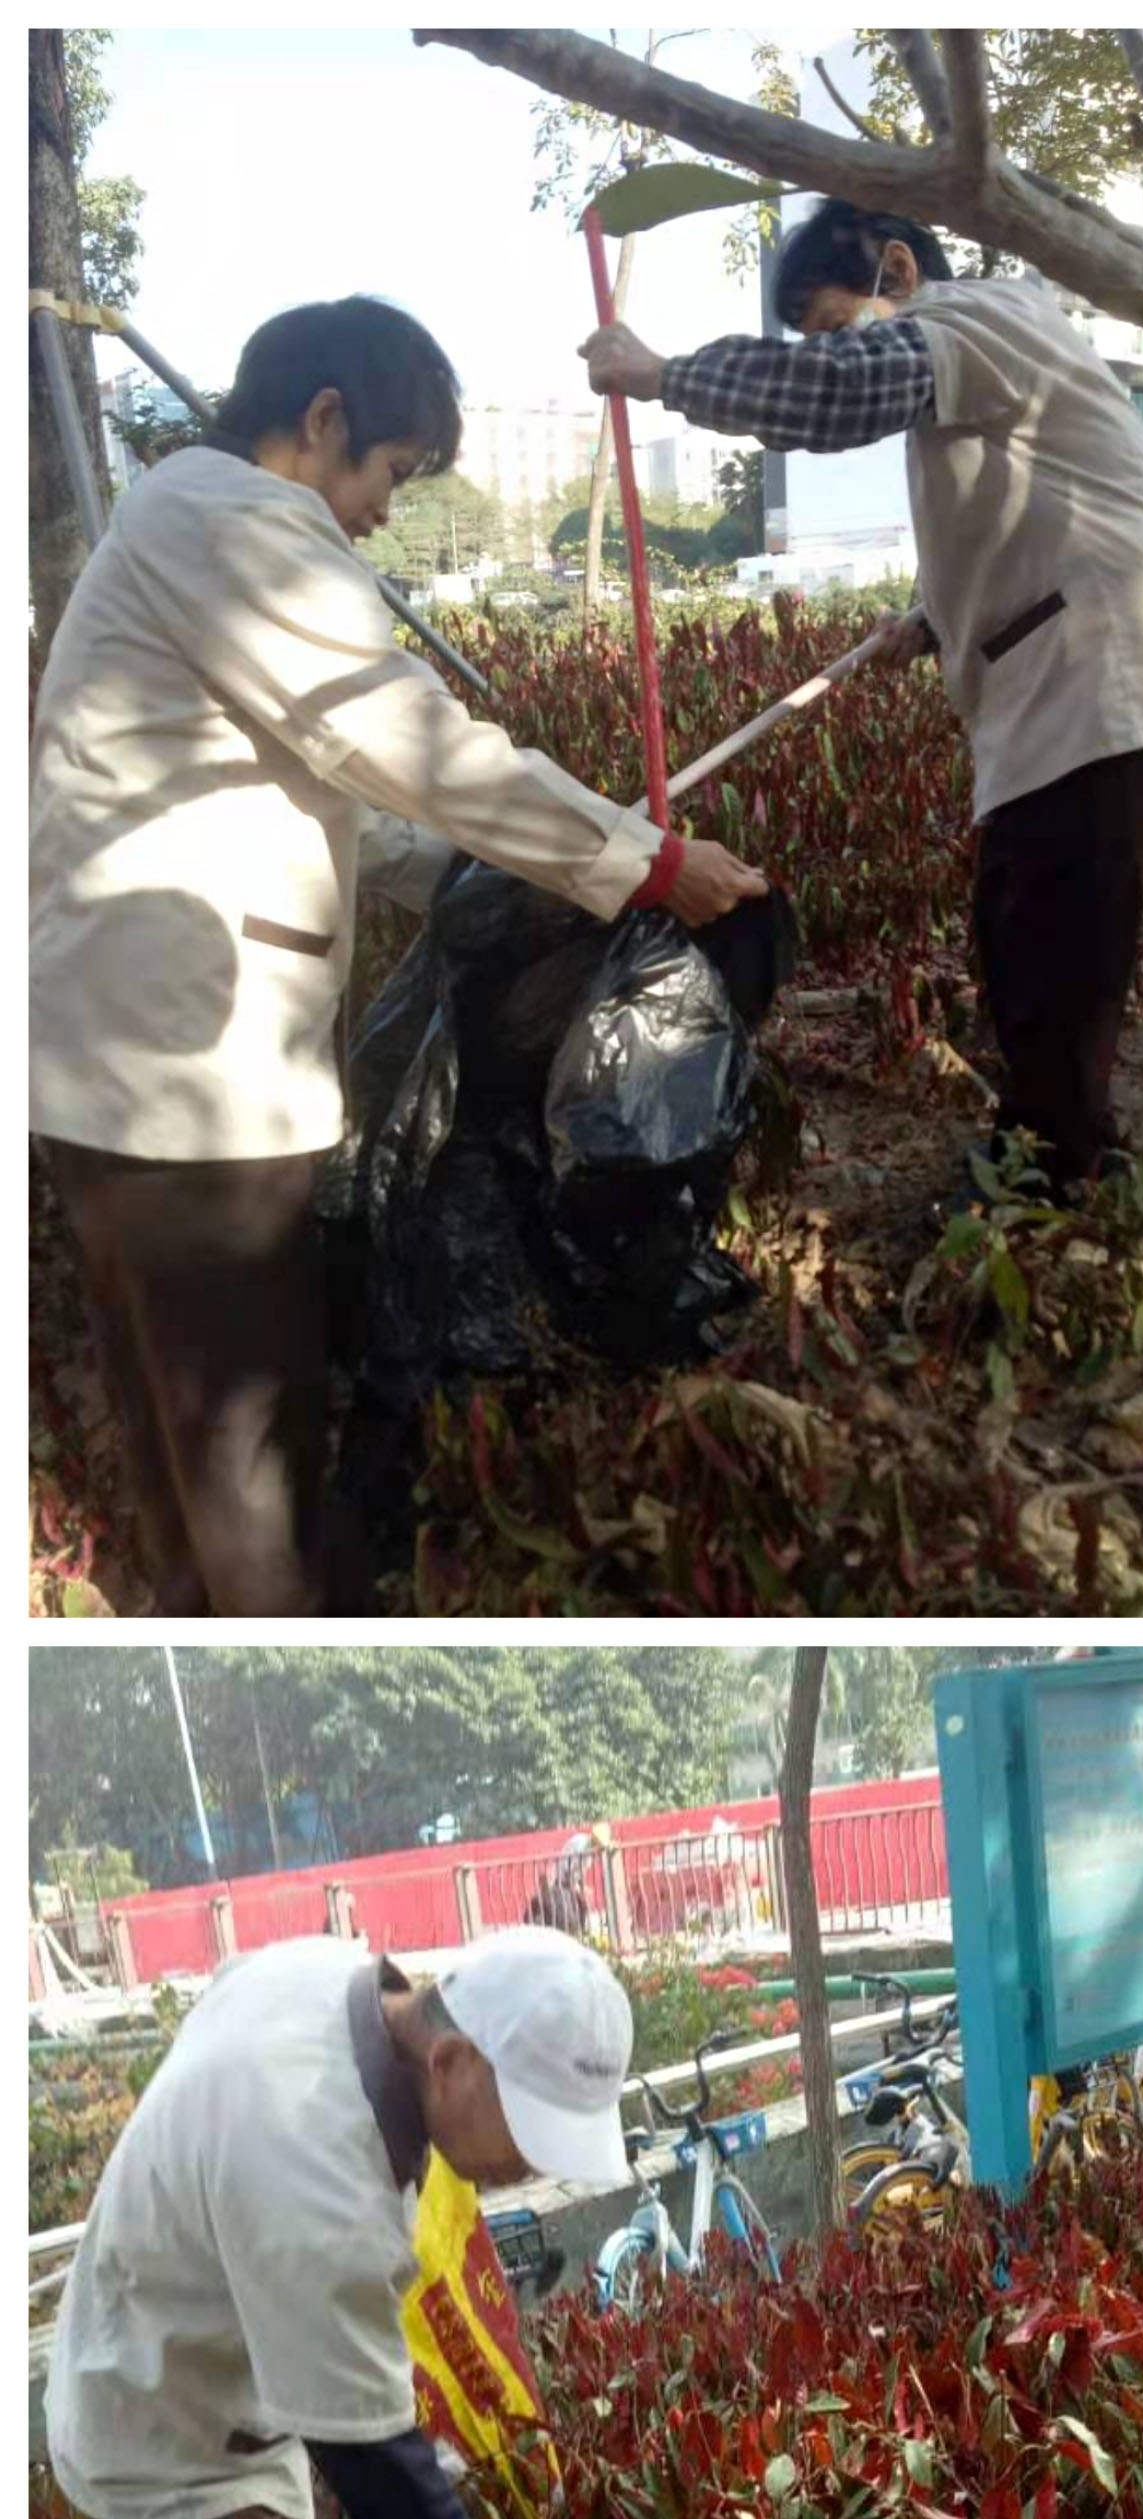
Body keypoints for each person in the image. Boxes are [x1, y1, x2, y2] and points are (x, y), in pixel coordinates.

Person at [29, 296, 770, 1619]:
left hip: (125, 1068)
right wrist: (641, 860)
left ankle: (224, 1612)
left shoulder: (176, 527)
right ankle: (266, 1636)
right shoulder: (239, 524)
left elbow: (356, 807)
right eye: (394, 471)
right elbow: (407, 742)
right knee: (241, 1446)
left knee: (190, 1432)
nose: (384, 511)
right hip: (181, 1079)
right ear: (322, 421)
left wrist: (508, 881)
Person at [581, 200, 1143, 1191]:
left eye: (832, 324)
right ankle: (1044, 1162)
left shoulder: (971, 323)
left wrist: (663, 376)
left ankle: (1061, 1184)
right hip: (1076, 689)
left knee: (1056, 950)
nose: (828, 351)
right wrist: (925, 622)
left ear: (898, 271)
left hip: (1104, 682)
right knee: (1023, 932)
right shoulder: (995, 350)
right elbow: (1036, 509)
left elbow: (837, 398)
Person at [43, 1927, 634, 2519]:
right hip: (171, 2451)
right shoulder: (317, 2180)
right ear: (451, 2062)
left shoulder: (320, 1975)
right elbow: (374, 2461)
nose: (532, 2168)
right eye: (528, 2133)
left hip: (223, 2360)